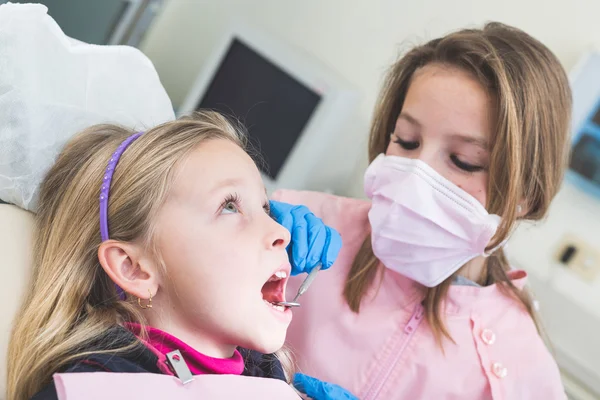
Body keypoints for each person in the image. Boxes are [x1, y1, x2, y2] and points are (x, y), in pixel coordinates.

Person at [271, 22, 572, 399]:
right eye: (406, 140)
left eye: (464, 161)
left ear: (524, 193)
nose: (416, 177)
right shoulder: (298, 227)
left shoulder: (520, 373)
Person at [6, 111, 341, 400]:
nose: (281, 232)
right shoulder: (97, 389)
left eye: (265, 207)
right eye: (229, 206)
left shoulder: (265, 379)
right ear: (134, 268)